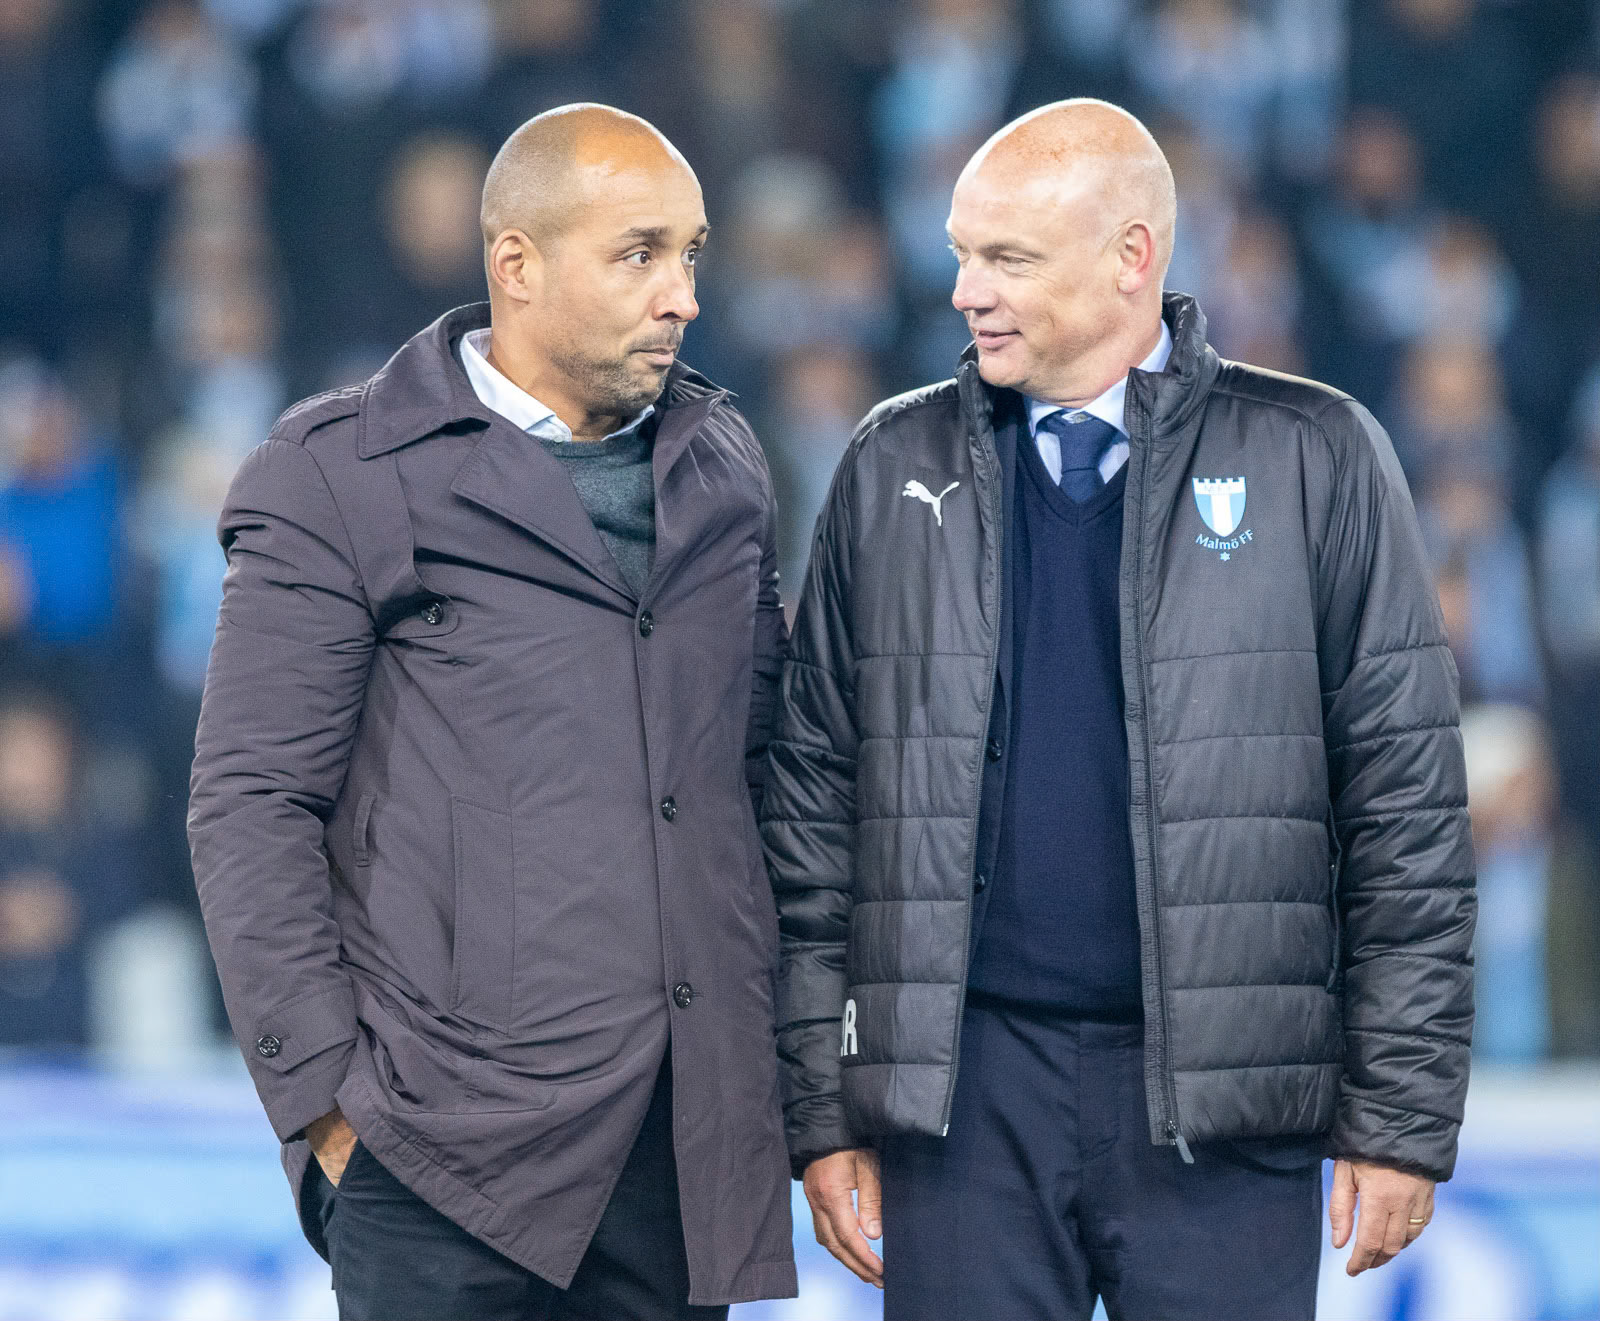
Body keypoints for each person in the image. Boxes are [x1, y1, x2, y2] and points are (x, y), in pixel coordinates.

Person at [761, 99, 1476, 1320]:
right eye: (960, 252)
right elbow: (811, 810)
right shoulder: (888, 465)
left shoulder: (1317, 456)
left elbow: (1407, 810)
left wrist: (1400, 1115)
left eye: (1008, 259)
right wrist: (821, 1114)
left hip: (1224, 1106)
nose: (964, 292)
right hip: (962, 1109)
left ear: (1131, 257)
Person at [189, 104, 796, 1321]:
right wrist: (328, 1111)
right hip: (436, 1164)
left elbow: (763, 777)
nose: (680, 293)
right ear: (514, 264)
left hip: (679, 1154)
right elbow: (251, 803)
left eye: (690, 253)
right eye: (638, 254)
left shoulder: (723, 468)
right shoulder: (339, 472)